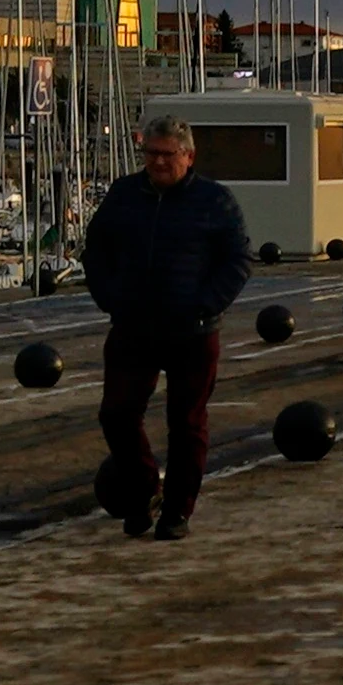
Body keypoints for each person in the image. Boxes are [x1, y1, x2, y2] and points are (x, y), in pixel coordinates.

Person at [80, 118, 252, 536]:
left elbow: (239, 261)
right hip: (133, 326)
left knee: (187, 423)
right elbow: (95, 251)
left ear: (188, 156)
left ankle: (177, 512)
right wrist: (111, 298)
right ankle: (143, 490)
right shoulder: (124, 195)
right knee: (117, 414)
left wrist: (204, 305)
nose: (157, 162)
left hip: (192, 330)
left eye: (167, 154)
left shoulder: (215, 201)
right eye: (151, 153)